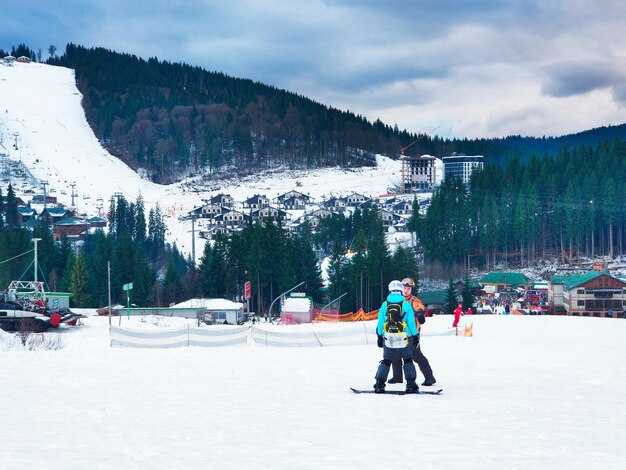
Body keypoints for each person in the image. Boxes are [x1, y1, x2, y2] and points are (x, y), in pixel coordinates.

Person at [374, 280, 419, 394]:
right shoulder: (406, 305)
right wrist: (415, 335)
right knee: (408, 360)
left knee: (386, 360)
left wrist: (379, 336)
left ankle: (379, 384)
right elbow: (411, 323)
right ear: (400, 290)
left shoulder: (385, 305)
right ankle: (410, 384)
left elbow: (380, 323)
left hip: (388, 336)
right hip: (405, 336)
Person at [389, 277, 437, 386]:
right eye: (404, 288)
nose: (406, 291)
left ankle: (429, 377)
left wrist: (420, 312)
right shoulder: (398, 300)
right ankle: (397, 377)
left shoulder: (413, 300)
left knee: (415, 355)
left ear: (412, 290)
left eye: (408, 289)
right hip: (399, 332)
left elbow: (419, 306)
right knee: (395, 354)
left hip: (412, 333)